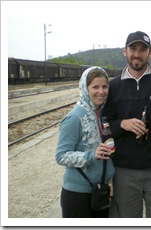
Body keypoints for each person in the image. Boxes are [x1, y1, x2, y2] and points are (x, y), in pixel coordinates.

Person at [102, 31, 151, 218]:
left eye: (143, 49)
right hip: (124, 171)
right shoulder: (112, 87)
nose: (137, 54)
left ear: (150, 53)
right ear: (124, 51)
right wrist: (122, 124)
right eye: (133, 48)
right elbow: (104, 124)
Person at [55, 66, 115, 218]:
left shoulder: (101, 114)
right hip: (78, 195)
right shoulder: (75, 117)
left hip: (99, 190)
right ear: (85, 88)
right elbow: (61, 156)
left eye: (104, 86)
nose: (101, 92)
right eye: (95, 87)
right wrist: (91, 155)